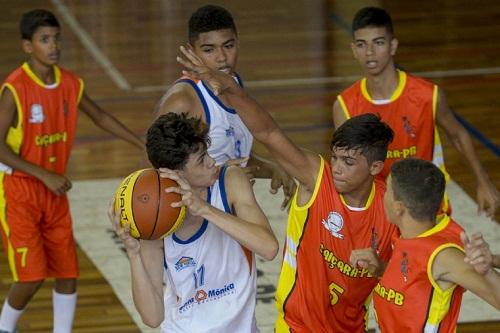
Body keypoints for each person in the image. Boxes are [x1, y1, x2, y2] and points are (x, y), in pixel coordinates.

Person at [177, 48, 399, 332]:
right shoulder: (318, 179)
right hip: (296, 326)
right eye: (335, 157)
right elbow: (268, 133)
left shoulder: (391, 207)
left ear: (375, 167)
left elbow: (407, 277)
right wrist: (229, 89)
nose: (338, 167)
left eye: (349, 162)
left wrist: (380, 268)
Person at [0, 9, 143, 333]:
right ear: (27, 46)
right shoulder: (14, 89)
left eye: (56, 39)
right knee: (33, 276)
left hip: (54, 193)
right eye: (44, 40)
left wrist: (140, 142)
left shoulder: (70, 83)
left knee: (67, 272)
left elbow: (101, 116)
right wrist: (43, 174)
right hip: (20, 192)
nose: (53, 46)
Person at [110, 112, 278, 332]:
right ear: (176, 173)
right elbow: (152, 317)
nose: (212, 162)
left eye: (207, 153)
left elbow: (269, 247)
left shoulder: (230, 181)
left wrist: (205, 209)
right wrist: (133, 254)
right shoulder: (156, 220)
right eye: (201, 160)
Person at [332, 6, 499, 217]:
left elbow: (458, 135)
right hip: (381, 212)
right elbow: (346, 164)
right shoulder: (344, 105)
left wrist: (483, 181)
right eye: (362, 44)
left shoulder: (427, 95)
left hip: (427, 209)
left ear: (393, 46)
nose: (370, 52)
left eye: (379, 42)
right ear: (353, 50)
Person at [156, 5, 294, 209]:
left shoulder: (233, 83)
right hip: (197, 221)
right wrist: (224, 178)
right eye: (209, 50)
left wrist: (271, 168)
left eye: (228, 46)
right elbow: (156, 175)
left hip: (233, 215)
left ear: (238, 41)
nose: (221, 57)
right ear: (192, 51)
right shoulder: (183, 101)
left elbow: (230, 153)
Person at [350, 158, 500, 332]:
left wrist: (488, 273)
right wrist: (383, 269)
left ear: (399, 208)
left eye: (387, 190)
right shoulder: (408, 234)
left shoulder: (444, 256)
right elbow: (416, 281)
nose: (382, 195)